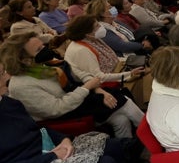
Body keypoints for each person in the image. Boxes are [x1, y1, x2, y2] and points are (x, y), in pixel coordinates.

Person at [1, 31, 143, 139]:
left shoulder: (44, 65)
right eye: (38, 50)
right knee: (123, 99)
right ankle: (153, 133)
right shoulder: (22, 85)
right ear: (24, 60)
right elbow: (56, 109)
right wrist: (86, 88)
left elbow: (79, 76)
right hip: (62, 115)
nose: (44, 50)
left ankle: (131, 150)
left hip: (75, 101)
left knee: (121, 118)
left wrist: (100, 91)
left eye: (42, 46)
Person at [0, 60, 131, 163]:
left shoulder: (10, 103)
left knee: (117, 147)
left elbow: (38, 130)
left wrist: (63, 139)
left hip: (48, 150)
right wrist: (53, 156)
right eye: (2, 74)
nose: (8, 77)